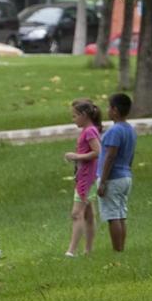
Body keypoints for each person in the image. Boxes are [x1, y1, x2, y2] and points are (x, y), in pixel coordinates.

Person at [97, 93, 136, 252]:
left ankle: (117, 251)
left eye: (109, 107)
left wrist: (103, 181)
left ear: (114, 110)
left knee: (113, 216)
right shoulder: (130, 130)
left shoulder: (115, 131)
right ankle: (121, 248)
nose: (107, 110)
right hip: (125, 176)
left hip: (113, 178)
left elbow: (110, 155)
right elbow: (131, 154)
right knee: (120, 214)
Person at [64, 99, 102, 257]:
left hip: (86, 178)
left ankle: (71, 251)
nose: (73, 120)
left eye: (75, 116)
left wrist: (77, 156)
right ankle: (88, 249)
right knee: (88, 214)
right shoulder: (88, 130)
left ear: (84, 115)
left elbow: (97, 152)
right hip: (85, 176)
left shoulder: (90, 131)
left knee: (76, 213)